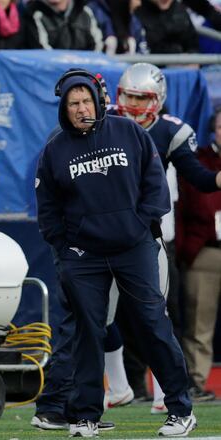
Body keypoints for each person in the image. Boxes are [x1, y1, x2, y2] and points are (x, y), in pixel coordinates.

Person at [35, 68, 194, 437]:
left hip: (133, 248)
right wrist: (66, 247)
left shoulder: (130, 133)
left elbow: (155, 187)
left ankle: (180, 409)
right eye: (73, 103)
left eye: (86, 100)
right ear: (64, 107)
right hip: (84, 256)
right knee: (89, 334)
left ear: (99, 100)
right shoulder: (55, 149)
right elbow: (47, 207)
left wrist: (139, 227)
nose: (80, 108)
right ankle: (85, 415)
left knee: (153, 323)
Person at [109, 63, 221, 413]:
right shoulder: (104, 121)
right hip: (104, 234)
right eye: (127, 95)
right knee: (101, 317)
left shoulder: (171, 131)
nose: (133, 104)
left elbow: (198, 178)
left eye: (141, 98)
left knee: (155, 317)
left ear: (157, 101)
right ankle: (118, 386)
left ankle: (162, 393)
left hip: (150, 236)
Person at [175, 107, 221, 404]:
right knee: (198, 324)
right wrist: (187, 249)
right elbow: (189, 206)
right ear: (213, 130)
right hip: (207, 251)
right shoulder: (198, 161)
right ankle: (197, 382)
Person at [22, 0, 103, 51]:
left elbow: (97, 46)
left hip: (86, 72)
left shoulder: (85, 12)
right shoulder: (33, 14)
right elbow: (42, 53)